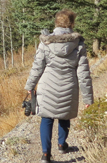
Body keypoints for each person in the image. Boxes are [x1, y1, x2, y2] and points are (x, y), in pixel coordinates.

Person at [24, 9, 94, 163]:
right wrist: (88, 98)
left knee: (46, 119)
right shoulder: (78, 45)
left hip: (47, 87)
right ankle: (62, 145)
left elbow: (37, 67)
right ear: (72, 24)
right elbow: (84, 75)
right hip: (68, 87)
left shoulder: (46, 42)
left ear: (56, 23)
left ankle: (45, 155)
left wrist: (30, 85)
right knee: (64, 116)